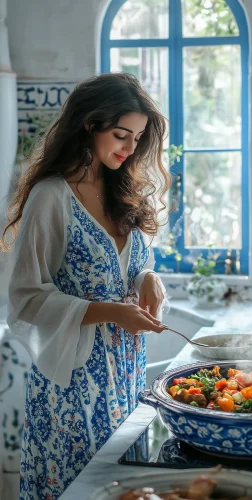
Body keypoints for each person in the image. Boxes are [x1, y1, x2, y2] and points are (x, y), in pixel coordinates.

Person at [1, 72, 171, 499]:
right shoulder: (51, 196)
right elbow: (24, 297)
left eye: (137, 137)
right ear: (89, 125)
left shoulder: (123, 188)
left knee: (126, 488)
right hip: (74, 386)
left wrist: (149, 279)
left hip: (128, 372)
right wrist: (111, 312)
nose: (130, 148)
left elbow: (132, 266)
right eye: (120, 135)